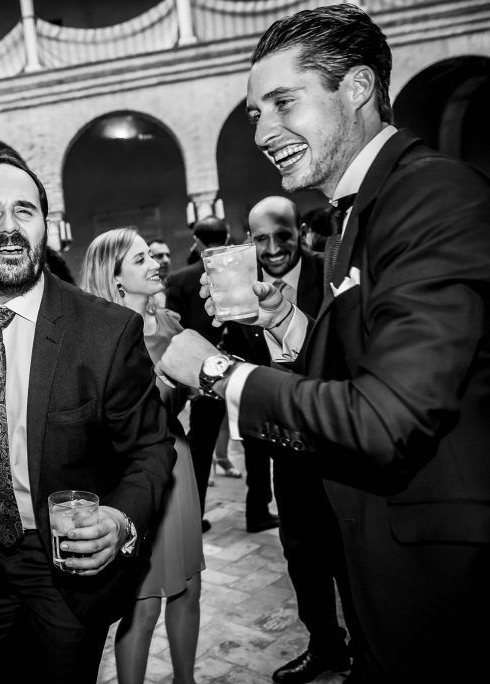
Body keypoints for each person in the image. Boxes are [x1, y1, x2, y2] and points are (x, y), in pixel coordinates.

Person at [159, 5, 490, 681]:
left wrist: (214, 371)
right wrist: (289, 325)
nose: (263, 132)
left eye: (284, 102)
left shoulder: (432, 195)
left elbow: (387, 417)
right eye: (256, 113)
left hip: (442, 586)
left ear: (359, 87)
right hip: (378, 564)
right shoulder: (359, 210)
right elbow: (370, 363)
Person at [0, 150, 176, 684]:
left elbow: (151, 448)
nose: (9, 227)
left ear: (46, 224)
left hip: (65, 568)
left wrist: (120, 519)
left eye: (25, 210)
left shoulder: (106, 330)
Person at [222, 196, 361, 682]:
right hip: (286, 446)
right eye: (261, 239)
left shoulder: (332, 272)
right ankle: (325, 645)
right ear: (249, 240)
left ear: (300, 230)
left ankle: (366, 651)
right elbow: (240, 353)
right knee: (301, 554)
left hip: (341, 443)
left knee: (349, 555)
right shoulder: (239, 284)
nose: (274, 248)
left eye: (282, 234)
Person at [80, 229, 203, 684]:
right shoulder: (98, 337)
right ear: (114, 278)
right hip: (131, 469)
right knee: (144, 601)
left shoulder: (169, 323)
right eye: (140, 259)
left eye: (151, 254)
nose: (155, 263)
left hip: (178, 459)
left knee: (188, 586)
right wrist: (168, 381)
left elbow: (189, 391)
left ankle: (186, 680)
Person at [165, 217, 246, 534]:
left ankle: (195, 515)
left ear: (197, 241)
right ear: (226, 237)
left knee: (201, 448)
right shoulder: (241, 271)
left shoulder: (179, 279)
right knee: (256, 444)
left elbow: (177, 331)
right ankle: (258, 508)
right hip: (243, 366)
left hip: (202, 374)